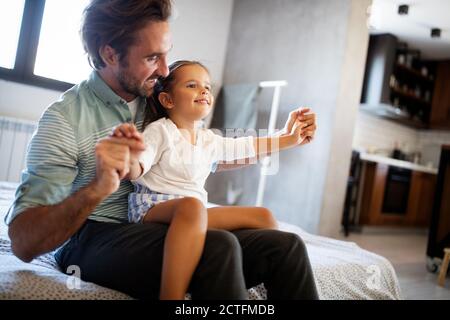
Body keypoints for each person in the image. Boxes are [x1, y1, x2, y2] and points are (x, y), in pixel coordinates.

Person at [5, 0, 319, 300]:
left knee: (285, 246)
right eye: (152, 58)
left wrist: (285, 138)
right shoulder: (64, 119)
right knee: (218, 246)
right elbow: (23, 242)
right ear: (110, 54)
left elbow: (204, 157)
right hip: (95, 236)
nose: (166, 70)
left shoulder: (162, 98)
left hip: (167, 224)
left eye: (166, 55)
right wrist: (97, 188)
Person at [110, 60, 316, 299]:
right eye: (192, 85)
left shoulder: (209, 139)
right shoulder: (161, 131)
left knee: (264, 216)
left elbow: (247, 147)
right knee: (192, 206)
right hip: (154, 209)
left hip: (193, 213)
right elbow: (137, 166)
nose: (204, 90)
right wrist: (128, 160)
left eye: (207, 86)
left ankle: (252, 276)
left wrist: (288, 138)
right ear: (167, 100)